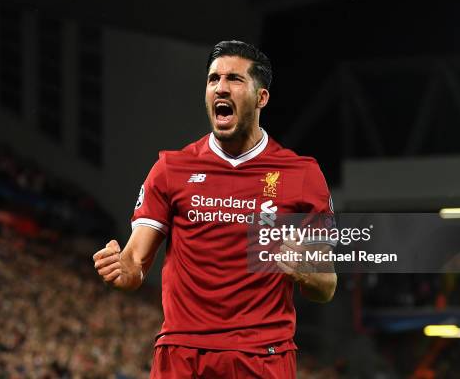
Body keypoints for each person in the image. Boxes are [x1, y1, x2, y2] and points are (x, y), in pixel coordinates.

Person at [93, 40, 337, 378]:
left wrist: (306, 270)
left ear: (261, 97)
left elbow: (326, 287)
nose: (220, 87)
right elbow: (134, 264)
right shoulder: (170, 169)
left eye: (234, 79)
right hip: (182, 355)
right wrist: (120, 270)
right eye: (213, 79)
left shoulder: (302, 175)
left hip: (263, 357)